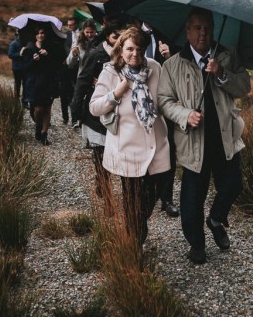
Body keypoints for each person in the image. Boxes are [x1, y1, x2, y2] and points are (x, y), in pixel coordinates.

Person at [158, 8, 251, 264]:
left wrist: (222, 73)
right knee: (190, 204)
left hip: (225, 139)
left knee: (233, 185)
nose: (203, 33)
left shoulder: (226, 56)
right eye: (197, 28)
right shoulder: (172, 65)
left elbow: (245, 86)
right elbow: (164, 101)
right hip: (193, 143)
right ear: (187, 32)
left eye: (207, 27)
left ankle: (216, 220)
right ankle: (197, 245)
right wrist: (185, 114)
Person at [89, 26, 170, 246]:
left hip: (157, 145)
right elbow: (94, 108)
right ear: (121, 50)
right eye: (130, 49)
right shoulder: (110, 71)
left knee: (154, 194)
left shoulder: (154, 68)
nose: (135, 54)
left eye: (139, 49)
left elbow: (164, 101)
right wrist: (118, 92)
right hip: (127, 149)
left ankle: (135, 227)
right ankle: (134, 248)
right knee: (132, 203)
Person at [72, 24, 120, 212]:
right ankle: (108, 200)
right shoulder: (95, 54)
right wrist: (76, 110)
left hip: (117, 115)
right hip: (96, 114)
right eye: (116, 36)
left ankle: (101, 183)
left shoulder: (126, 55)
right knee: (100, 156)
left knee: (113, 157)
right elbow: (82, 81)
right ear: (108, 36)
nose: (120, 40)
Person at [141, 21, 179, 218]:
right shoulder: (132, 37)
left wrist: (168, 57)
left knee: (168, 149)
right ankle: (144, 194)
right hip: (138, 108)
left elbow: (178, 74)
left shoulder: (168, 37)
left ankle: (167, 198)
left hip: (164, 105)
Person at [22, 26, 61, 145]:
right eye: (38, 33)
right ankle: (38, 126)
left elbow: (57, 64)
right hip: (34, 84)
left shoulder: (51, 47)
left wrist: (48, 55)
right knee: (38, 109)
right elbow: (25, 69)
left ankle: (44, 134)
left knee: (47, 109)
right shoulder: (29, 49)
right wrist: (33, 60)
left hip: (48, 82)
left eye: (42, 33)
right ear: (35, 35)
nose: (41, 35)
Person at [67, 19, 98, 129]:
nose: (90, 35)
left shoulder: (99, 43)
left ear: (95, 31)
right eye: (87, 32)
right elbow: (69, 63)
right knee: (77, 102)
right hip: (82, 77)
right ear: (83, 32)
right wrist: (74, 55)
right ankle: (77, 120)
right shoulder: (79, 44)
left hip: (96, 78)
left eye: (92, 32)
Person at [7, 29, 28, 107]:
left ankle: (25, 102)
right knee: (17, 84)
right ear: (17, 33)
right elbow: (10, 54)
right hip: (17, 68)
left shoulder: (26, 43)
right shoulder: (14, 43)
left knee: (26, 85)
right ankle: (16, 101)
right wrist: (20, 54)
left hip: (26, 67)